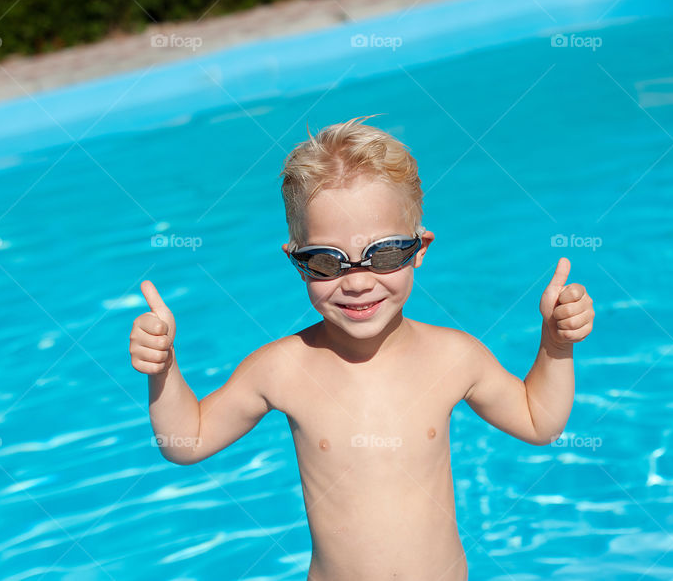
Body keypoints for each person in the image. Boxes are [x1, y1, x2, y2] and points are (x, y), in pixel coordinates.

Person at [129, 116, 595, 580]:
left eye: (385, 254)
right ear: (297, 263)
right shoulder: (282, 369)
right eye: (326, 262)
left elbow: (539, 422)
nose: (357, 282)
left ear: (420, 248)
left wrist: (556, 344)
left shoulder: (453, 357)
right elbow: (185, 442)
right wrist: (163, 369)